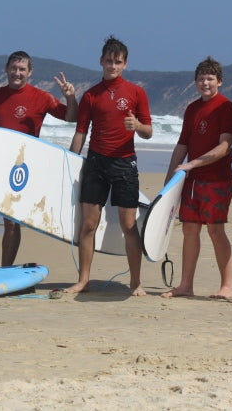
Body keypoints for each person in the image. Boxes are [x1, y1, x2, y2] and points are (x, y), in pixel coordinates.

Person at [0, 51, 78, 268]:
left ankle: (5, 270)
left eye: (22, 69)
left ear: (29, 72)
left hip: (21, 169)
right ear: (6, 69)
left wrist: (69, 96)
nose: (17, 73)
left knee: (11, 221)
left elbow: (71, 117)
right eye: (13, 68)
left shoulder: (42, 97)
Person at [67, 36, 152, 294]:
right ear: (101, 62)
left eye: (117, 62)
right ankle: (83, 280)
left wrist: (136, 126)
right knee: (88, 225)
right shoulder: (91, 95)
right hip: (96, 163)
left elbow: (148, 131)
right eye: (108, 61)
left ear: (125, 64)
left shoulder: (136, 92)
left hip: (124, 164)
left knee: (128, 226)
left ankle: (135, 282)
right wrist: (71, 161)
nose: (112, 66)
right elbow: (81, 132)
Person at [160, 57, 232, 300]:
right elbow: (182, 144)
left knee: (215, 230)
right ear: (195, 82)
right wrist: (169, 180)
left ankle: (227, 285)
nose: (205, 82)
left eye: (210, 78)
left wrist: (193, 164)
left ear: (220, 81)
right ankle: (185, 285)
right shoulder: (192, 108)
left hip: (217, 179)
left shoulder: (226, 107)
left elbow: (224, 147)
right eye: (201, 78)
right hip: (191, 181)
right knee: (189, 229)